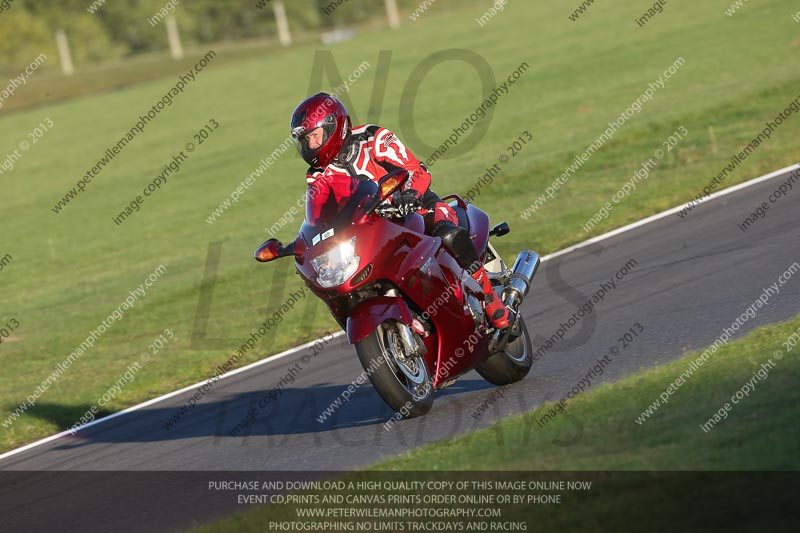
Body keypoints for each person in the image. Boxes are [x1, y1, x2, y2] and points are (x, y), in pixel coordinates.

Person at [290, 92, 509, 329]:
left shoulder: (371, 137)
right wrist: (307, 242)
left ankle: (489, 297)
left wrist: (410, 195)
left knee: (448, 234)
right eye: (305, 140)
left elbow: (416, 170)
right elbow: (320, 213)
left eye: (314, 136)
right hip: (373, 228)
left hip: (416, 208)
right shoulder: (317, 174)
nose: (310, 145)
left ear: (334, 126)